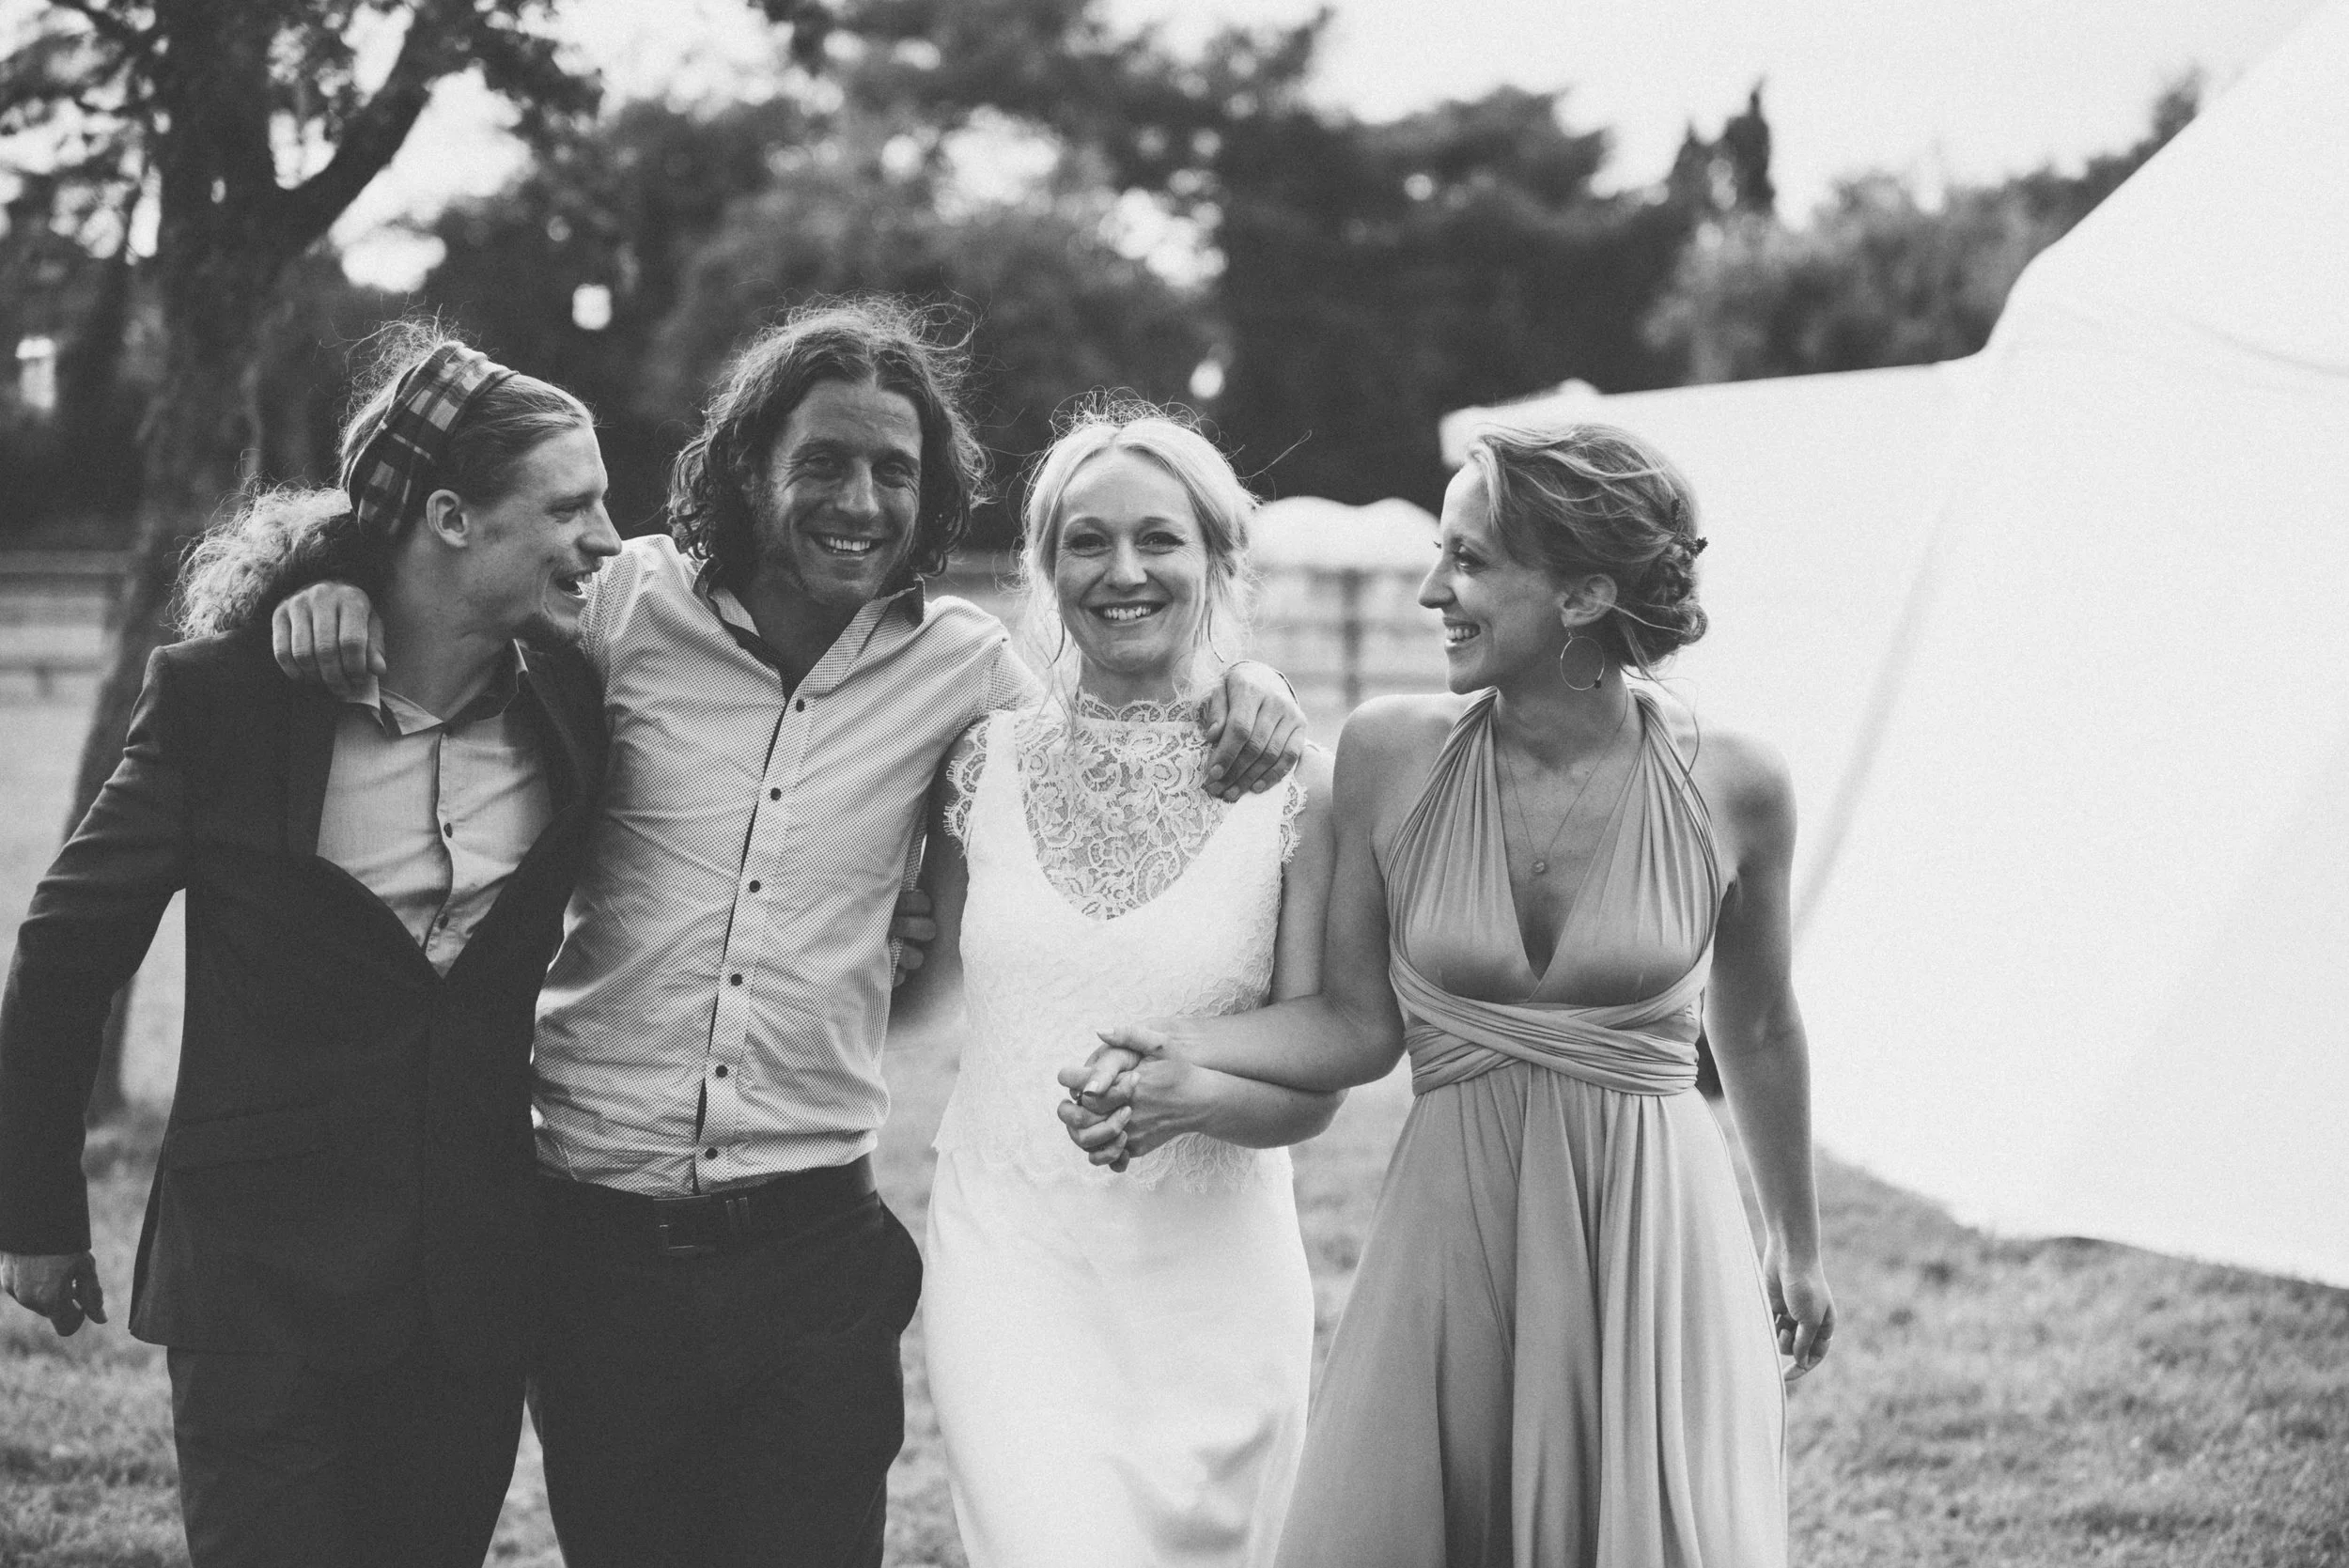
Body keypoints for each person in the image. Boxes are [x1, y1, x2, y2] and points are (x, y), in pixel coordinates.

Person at [270, 298, 1309, 1568]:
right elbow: (455, 581)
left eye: (894, 470)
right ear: (751, 463)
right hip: (595, 1235)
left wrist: (1248, 682)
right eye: (823, 460)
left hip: (815, 1247)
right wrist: (332, 578)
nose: (858, 500)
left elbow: (1114, 711)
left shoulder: (966, 672)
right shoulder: (625, 603)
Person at [1069, 423, 1837, 1568]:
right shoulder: (1387, 755)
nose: (1433, 589)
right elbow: (1350, 1023)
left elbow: (1762, 1022)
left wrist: (1796, 1240)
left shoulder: (1737, 782)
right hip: (1452, 1228)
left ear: (1581, 592)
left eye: (1470, 561)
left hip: (1649, 1233)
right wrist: (1181, 1048)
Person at [0, 327, 619, 1567]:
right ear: (450, 515)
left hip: (469, 1295)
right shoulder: (230, 701)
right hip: (256, 1290)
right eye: (570, 506)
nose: (605, 536)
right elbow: (66, 950)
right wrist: (35, 1212)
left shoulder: (580, 701)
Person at [910, 404, 1339, 1568]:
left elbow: (1319, 1076)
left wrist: (1188, 1093)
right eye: (1085, 542)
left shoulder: (1303, 787)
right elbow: (902, 974)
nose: (1123, 570)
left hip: (1218, 1280)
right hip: (1009, 1260)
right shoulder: (975, 764)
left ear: (1217, 559)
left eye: (1159, 539)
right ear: (1044, 569)